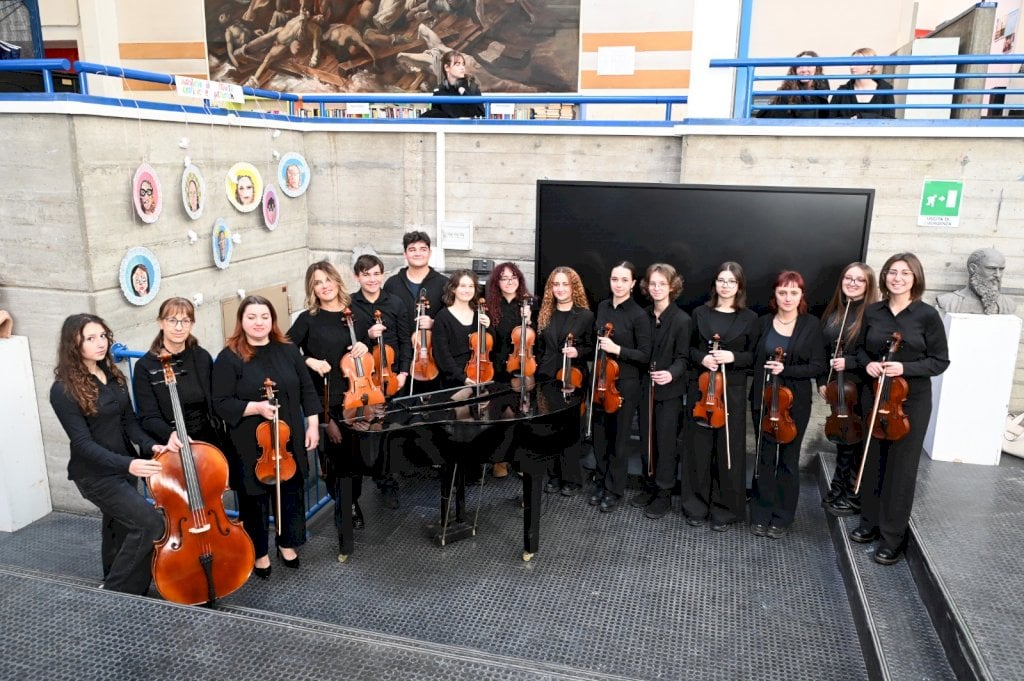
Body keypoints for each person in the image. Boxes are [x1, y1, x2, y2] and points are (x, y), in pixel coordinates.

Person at [49, 313, 174, 594]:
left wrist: (152, 445)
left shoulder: (113, 376)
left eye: (103, 336)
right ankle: (116, 591)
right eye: (90, 338)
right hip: (95, 474)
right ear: (73, 344)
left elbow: (130, 422)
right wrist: (129, 464)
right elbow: (83, 444)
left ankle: (121, 584)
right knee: (151, 524)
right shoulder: (63, 390)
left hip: (124, 467)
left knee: (119, 528)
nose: (100, 343)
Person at [851, 253, 949, 565]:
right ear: (884, 277)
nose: (898, 278)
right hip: (876, 394)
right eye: (892, 272)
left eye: (905, 273)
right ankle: (869, 522)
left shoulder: (927, 316)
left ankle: (892, 536)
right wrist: (868, 365)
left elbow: (940, 361)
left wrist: (903, 367)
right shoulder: (873, 311)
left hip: (910, 401)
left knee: (901, 467)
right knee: (873, 459)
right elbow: (860, 350)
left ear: (915, 278)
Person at [213, 296, 321, 578]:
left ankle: (287, 543)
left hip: (289, 436)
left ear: (273, 320)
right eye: (251, 317)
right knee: (254, 498)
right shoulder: (229, 357)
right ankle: (259, 552)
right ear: (241, 321)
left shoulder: (288, 350)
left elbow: (307, 388)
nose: (258, 322)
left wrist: (312, 424)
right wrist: (255, 408)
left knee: (291, 489)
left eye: (264, 316)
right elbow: (221, 402)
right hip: (250, 441)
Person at [288, 262, 370, 531]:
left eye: (327, 280)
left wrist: (364, 345)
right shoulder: (308, 319)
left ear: (337, 281)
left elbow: (368, 346)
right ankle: (344, 506)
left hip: (356, 398)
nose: (324, 286)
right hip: (325, 400)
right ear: (312, 289)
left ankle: (352, 500)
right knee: (333, 461)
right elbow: (285, 350)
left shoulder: (355, 313)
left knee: (356, 458)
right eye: (317, 283)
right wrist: (308, 360)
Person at [748, 271, 826, 538]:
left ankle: (782, 517)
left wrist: (787, 370)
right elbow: (752, 359)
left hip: (796, 404)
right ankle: (760, 513)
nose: (788, 298)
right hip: (763, 400)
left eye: (794, 292)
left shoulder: (811, 325)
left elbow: (818, 365)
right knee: (764, 457)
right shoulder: (763, 323)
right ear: (775, 295)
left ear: (801, 295)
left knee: (789, 460)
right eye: (783, 292)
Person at [682, 262, 757, 531]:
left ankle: (725, 509)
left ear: (739, 286)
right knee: (698, 449)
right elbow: (688, 349)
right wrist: (702, 358)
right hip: (702, 390)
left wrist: (732, 356)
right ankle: (695, 505)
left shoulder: (749, 318)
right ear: (714, 284)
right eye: (721, 280)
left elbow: (754, 357)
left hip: (731, 392)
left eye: (731, 281)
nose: (725, 286)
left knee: (728, 451)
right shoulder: (699, 313)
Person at [589, 261, 651, 513]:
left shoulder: (639, 315)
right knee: (600, 436)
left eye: (625, 280)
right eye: (615, 279)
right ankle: (601, 482)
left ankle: (614, 489)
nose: (619, 284)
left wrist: (617, 350)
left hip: (625, 384)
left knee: (619, 438)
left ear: (633, 283)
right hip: (601, 380)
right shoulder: (603, 307)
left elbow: (645, 355)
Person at [817, 263, 879, 517]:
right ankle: (838, 488)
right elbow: (822, 352)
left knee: (856, 442)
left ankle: (852, 494)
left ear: (868, 285)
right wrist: (822, 380)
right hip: (839, 388)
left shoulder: (873, 314)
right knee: (844, 441)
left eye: (860, 280)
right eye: (848, 278)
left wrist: (850, 362)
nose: (852, 283)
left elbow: (874, 354)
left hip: (861, 386)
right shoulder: (834, 312)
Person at [631, 264, 691, 520]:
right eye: (652, 284)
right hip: (645, 388)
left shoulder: (682, 320)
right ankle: (648, 485)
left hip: (669, 392)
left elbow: (684, 358)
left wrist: (671, 373)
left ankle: (664, 494)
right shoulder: (642, 316)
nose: (656, 288)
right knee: (646, 439)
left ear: (672, 287)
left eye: (662, 284)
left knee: (665, 443)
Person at [132, 298, 221, 456]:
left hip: (207, 441)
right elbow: (148, 417)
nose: (179, 327)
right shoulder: (145, 367)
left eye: (185, 321)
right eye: (172, 320)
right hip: (169, 444)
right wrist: (170, 434)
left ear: (191, 324)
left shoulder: (201, 357)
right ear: (161, 323)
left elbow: (215, 401)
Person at [535, 266, 594, 496]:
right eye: (556, 284)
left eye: (565, 284)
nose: (560, 289)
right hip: (547, 376)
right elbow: (540, 347)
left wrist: (578, 352)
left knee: (570, 429)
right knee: (550, 428)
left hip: (573, 377)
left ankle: (571, 479)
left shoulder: (585, 315)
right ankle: (553, 475)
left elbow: (592, 347)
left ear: (573, 287)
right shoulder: (545, 313)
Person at [382, 230, 448, 390]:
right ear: (405, 254)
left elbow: (452, 319)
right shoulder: (392, 284)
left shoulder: (444, 283)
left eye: (423, 249)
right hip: (399, 358)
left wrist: (434, 323)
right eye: (412, 249)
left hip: (433, 358)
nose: (417, 253)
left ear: (430, 253)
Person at [432, 269, 491, 388]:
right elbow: (442, 355)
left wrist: (488, 327)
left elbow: (490, 346)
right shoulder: (443, 317)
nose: (467, 290)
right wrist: (462, 378)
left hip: (481, 373)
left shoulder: (480, 315)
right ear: (453, 289)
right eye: (463, 286)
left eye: (471, 286)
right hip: (453, 379)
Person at [935, 247, 1016, 314]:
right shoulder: (948, 302)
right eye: (991, 268)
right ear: (972, 269)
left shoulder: (1008, 305)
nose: (998, 275)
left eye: (1001, 269)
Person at [757, 50, 829, 119]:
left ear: (817, 68)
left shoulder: (822, 88)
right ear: (795, 70)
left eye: (809, 65)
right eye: (799, 66)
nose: (803, 70)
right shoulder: (786, 94)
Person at [828, 48, 895, 119]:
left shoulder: (885, 90)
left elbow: (890, 120)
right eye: (851, 63)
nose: (852, 67)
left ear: (870, 66)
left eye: (857, 62)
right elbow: (830, 119)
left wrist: (862, 117)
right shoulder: (842, 91)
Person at [422, 50, 485, 119]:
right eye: (457, 64)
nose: (462, 68)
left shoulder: (472, 87)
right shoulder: (439, 90)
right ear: (447, 67)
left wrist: (464, 94)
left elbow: (481, 114)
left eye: (463, 64)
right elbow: (435, 116)